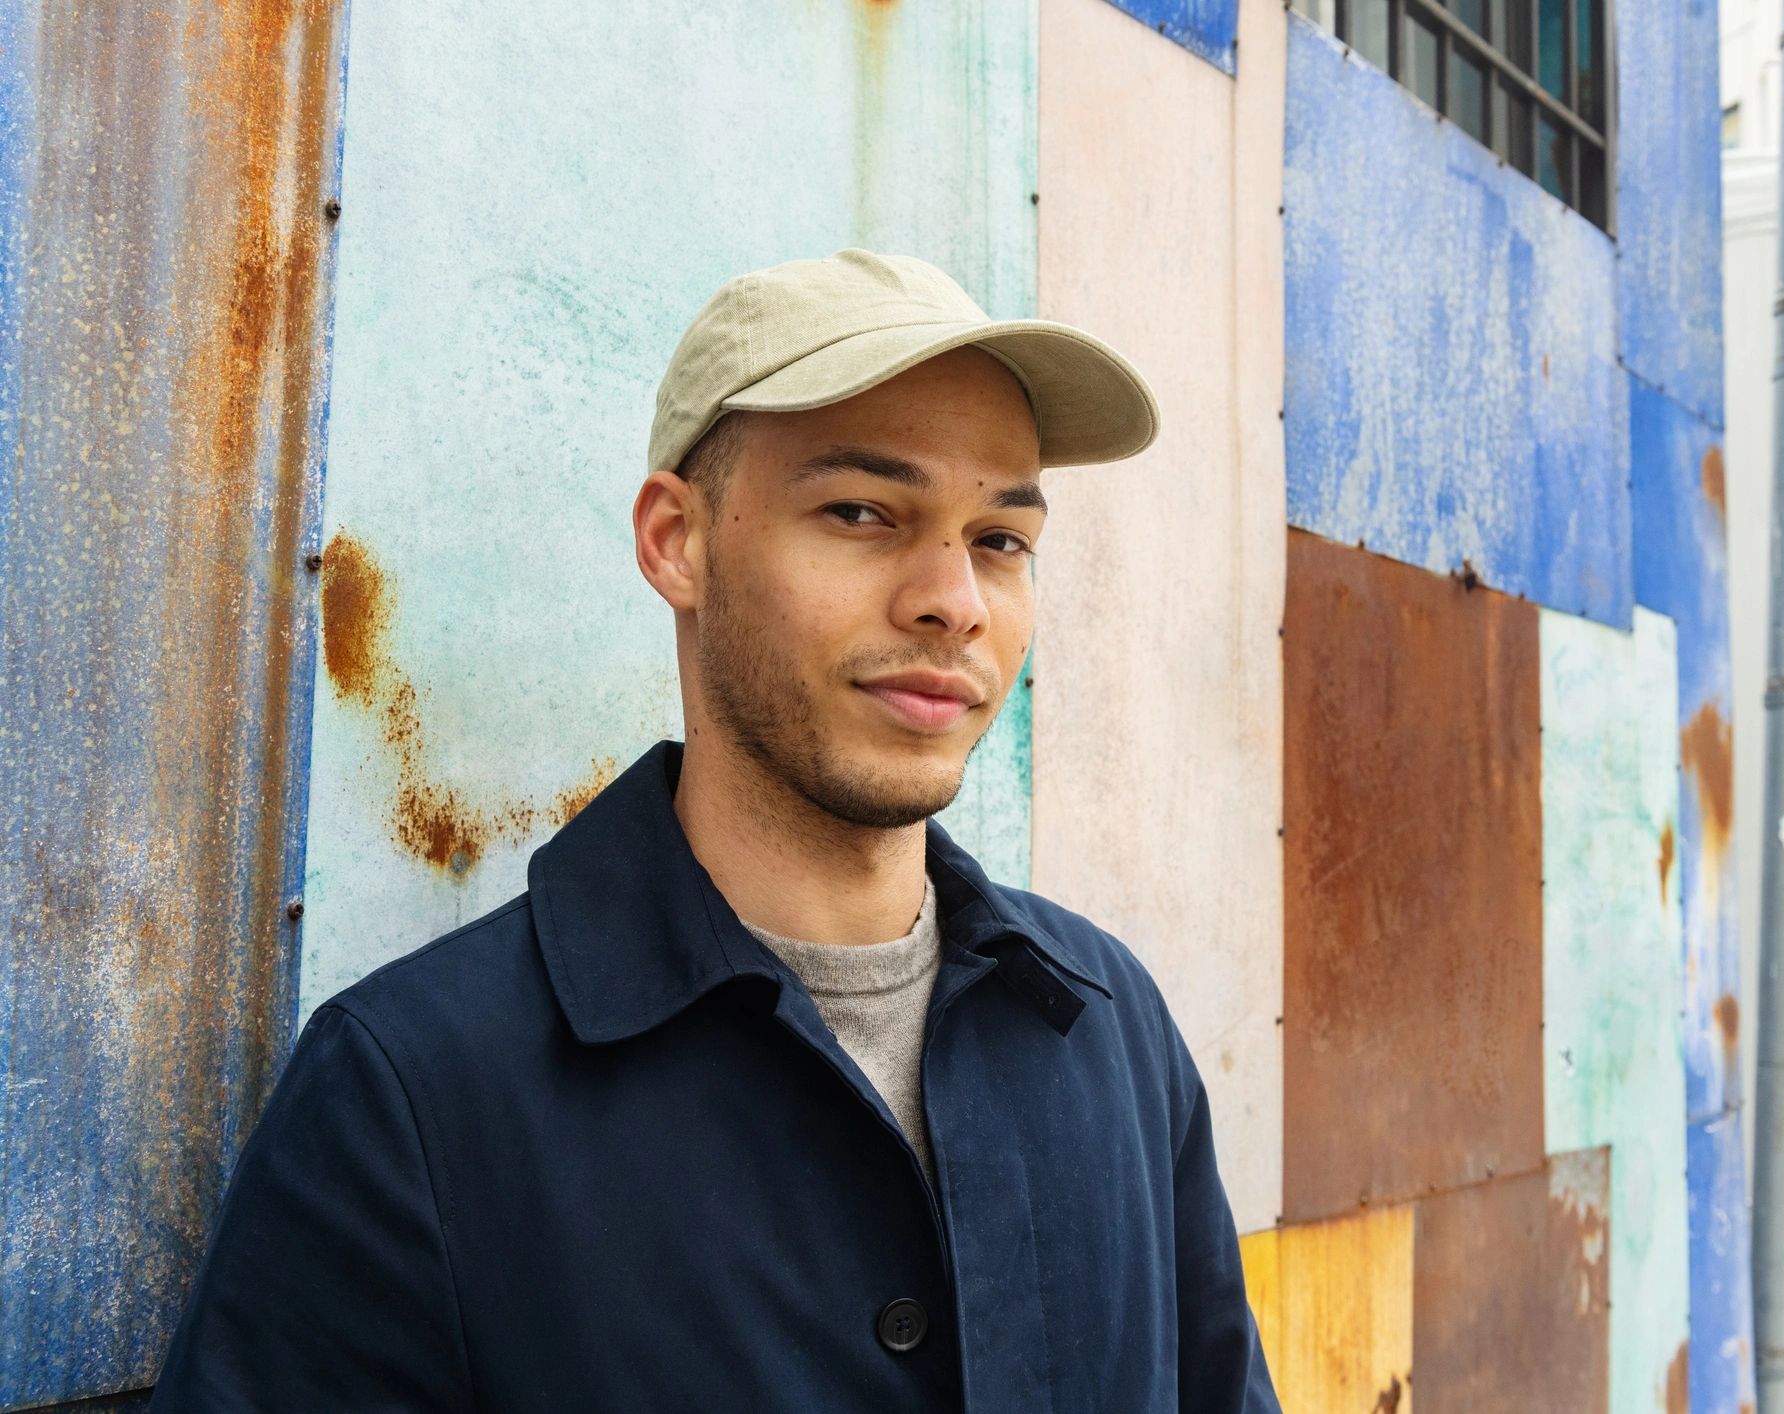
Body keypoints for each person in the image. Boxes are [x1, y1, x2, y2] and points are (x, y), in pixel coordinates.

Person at [151, 248, 1280, 1411]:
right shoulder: (412, 1100)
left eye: (1000, 538)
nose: (956, 598)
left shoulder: (1110, 1027)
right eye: (860, 511)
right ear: (676, 542)